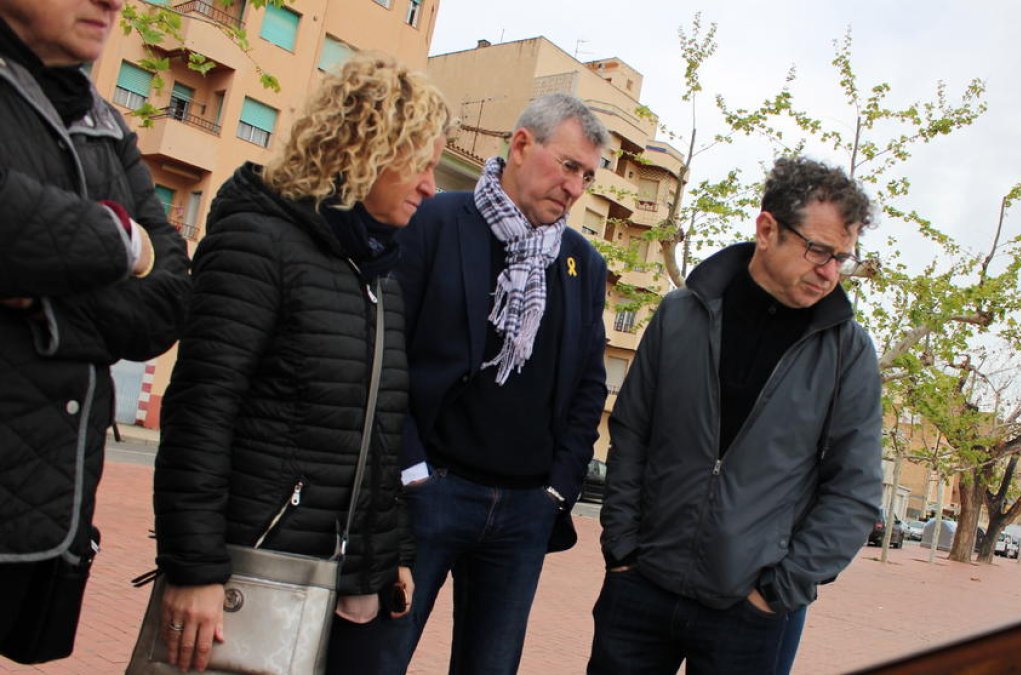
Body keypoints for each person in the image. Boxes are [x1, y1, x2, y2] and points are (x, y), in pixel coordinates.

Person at [151, 53, 452, 674]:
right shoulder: (258, 242)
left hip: (343, 582)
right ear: (364, 148)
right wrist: (195, 569)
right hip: (254, 571)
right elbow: (201, 412)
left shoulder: (378, 273)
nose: (430, 185)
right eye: (419, 162)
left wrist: (389, 551)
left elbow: (380, 429)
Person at [589, 156, 884, 675]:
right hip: (642, 588)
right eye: (819, 250)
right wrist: (623, 548)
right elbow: (632, 432)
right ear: (767, 229)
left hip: (752, 612)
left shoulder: (847, 351)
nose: (831, 272)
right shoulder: (681, 314)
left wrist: (779, 589)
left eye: (843, 257)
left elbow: (854, 490)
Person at [392, 93, 609, 674]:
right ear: (519, 146)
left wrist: (558, 490)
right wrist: (411, 472)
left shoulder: (581, 262)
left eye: (586, 175)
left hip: (523, 511)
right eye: (568, 166)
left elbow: (590, 384)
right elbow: (390, 352)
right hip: (427, 493)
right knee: (378, 658)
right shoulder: (435, 221)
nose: (576, 188)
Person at [0, 0, 189, 661]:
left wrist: (44, 304)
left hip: (48, 512)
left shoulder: (104, 122)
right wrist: (121, 239)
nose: (111, 2)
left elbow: (168, 301)